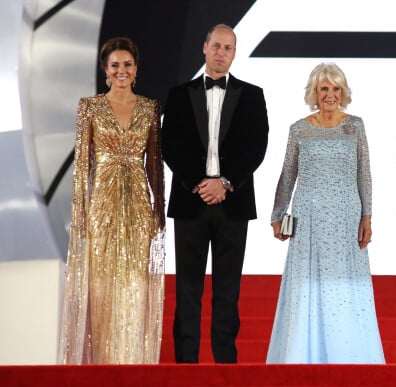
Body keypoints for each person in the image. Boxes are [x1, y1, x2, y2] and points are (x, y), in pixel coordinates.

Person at [162, 24, 269, 363]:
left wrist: (224, 183)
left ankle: (226, 364)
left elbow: (257, 146)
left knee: (228, 290)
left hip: (232, 202)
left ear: (234, 53)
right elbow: (170, 145)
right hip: (190, 201)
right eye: (217, 46)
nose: (222, 52)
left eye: (229, 48)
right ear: (204, 47)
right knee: (187, 290)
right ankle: (186, 365)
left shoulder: (253, 95)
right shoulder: (179, 94)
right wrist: (199, 182)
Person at [266, 63, 385, 364]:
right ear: (314, 93)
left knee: (344, 287)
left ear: (343, 92)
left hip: (346, 219)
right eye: (324, 89)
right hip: (308, 221)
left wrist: (367, 217)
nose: (330, 95)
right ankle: (304, 356)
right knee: (308, 285)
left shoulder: (355, 126)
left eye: (335, 89)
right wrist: (277, 214)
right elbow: (287, 174)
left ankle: (348, 356)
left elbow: (364, 174)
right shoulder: (299, 129)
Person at [59, 37, 165, 364]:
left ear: (136, 70)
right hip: (101, 210)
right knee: (103, 292)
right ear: (106, 70)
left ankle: (133, 366)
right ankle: (103, 369)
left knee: (134, 290)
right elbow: (82, 169)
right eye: (115, 65)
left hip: (137, 208)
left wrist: (158, 212)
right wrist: (82, 217)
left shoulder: (149, 108)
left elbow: (155, 166)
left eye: (127, 65)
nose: (122, 71)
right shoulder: (89, 107)